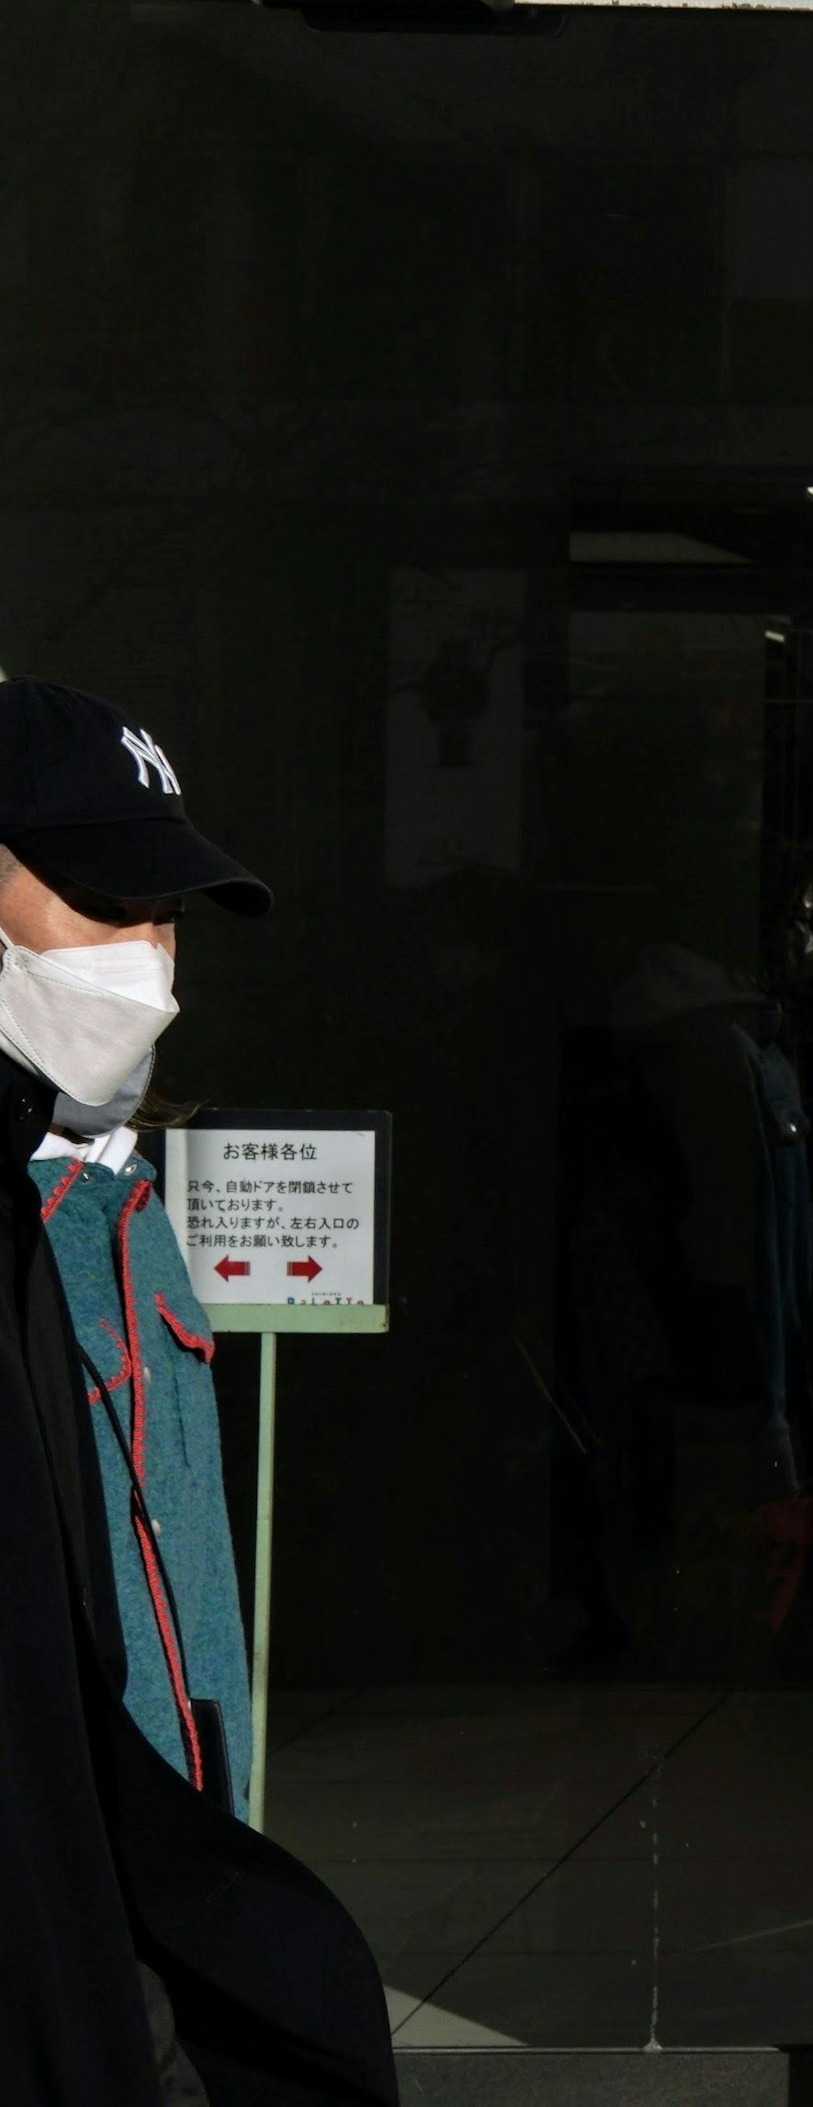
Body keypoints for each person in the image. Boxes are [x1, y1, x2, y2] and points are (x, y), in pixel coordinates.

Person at [0, 679, 392, 2100]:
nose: (146, 953)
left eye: (167, 910)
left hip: (172, 1884)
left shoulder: (120, 1189)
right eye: (104, 898)